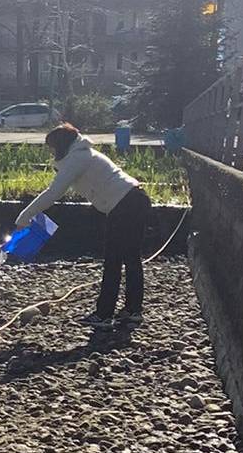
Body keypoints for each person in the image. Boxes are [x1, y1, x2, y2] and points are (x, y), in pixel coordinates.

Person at [14, 124, 151, 328]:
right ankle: (133, 310)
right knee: (131, 258)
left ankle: (104, 314)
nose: (50, 152)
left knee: (113, 260)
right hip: (136, 198)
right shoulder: (84, 153)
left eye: (51, 147)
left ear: (60, 145)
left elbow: (53, 192)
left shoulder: (77, 158)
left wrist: (24, 217)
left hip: (123, 205)